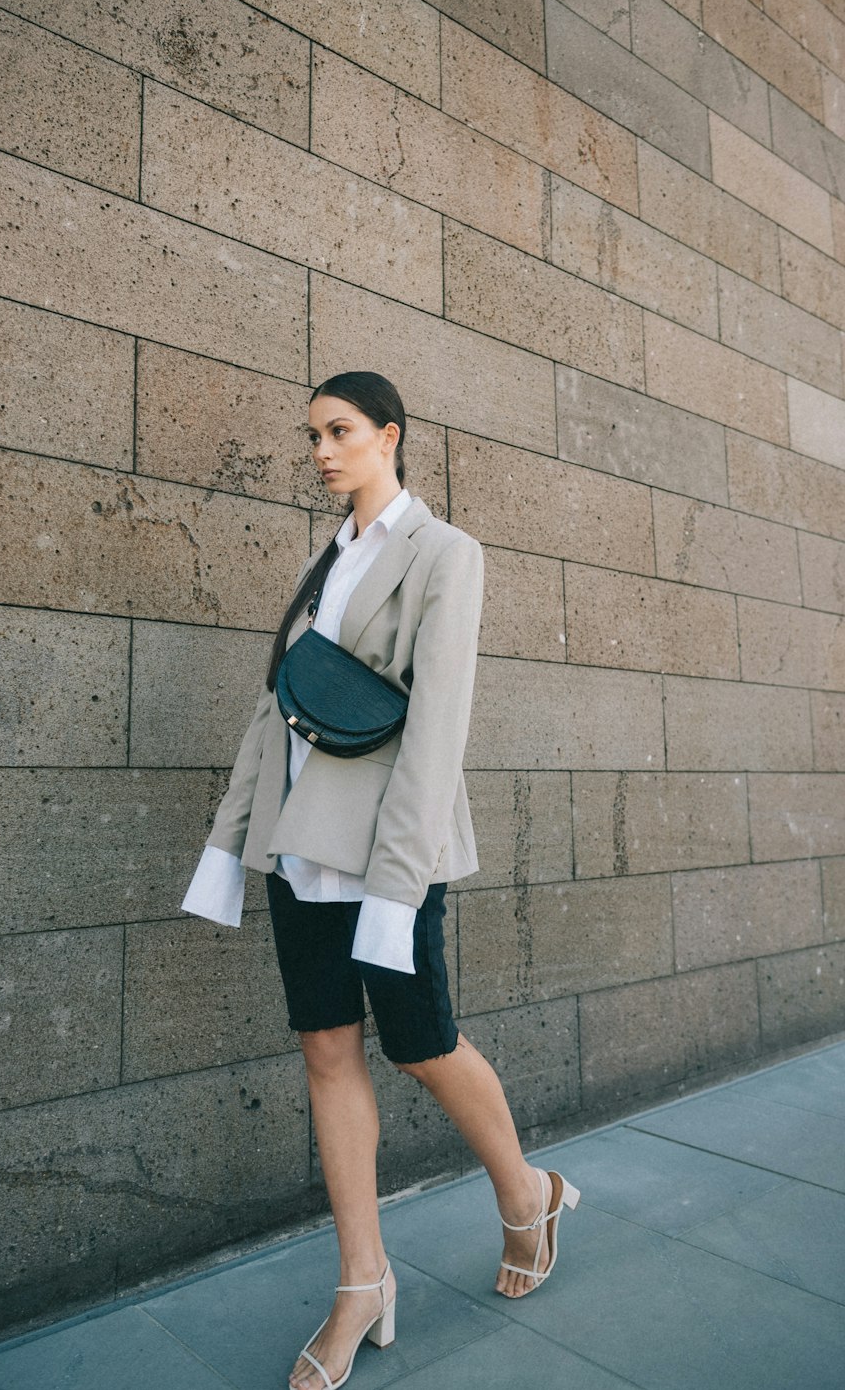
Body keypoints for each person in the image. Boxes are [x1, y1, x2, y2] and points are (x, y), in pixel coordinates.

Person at [181, 371, 578, 1390]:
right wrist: (231, 843)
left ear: (388, 434)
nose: (321, 450)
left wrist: (398, 888)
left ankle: (527, 1191)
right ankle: (362, 1281)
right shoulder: (328, 564)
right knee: (325, 1050)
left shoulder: (444, 554)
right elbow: (276, 714)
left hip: (385, 854)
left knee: (421, 1042)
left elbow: (436, 729)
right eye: (311, 434)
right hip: (295, 849)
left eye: (339, 430)